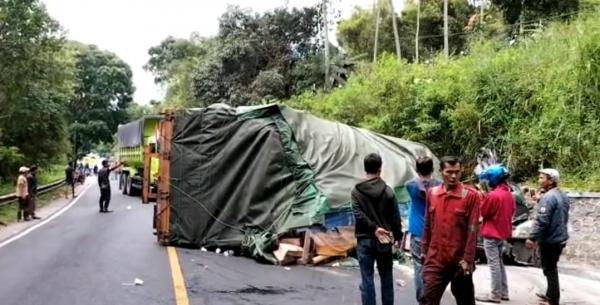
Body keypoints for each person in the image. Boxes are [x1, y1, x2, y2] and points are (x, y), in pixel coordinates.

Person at [422, 156, 481, 305]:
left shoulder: (470, 195)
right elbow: (428, 224)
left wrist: (468, 259)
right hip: (436, 259)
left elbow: (473, 229)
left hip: (459, 261)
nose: (453, 176)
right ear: (441, 172)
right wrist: (424, 250)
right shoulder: (433, 193)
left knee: (465, 301)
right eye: (449, 172)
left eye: (457, 172)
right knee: (428, 299)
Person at [351, 153, 403, 305]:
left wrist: (373, 229)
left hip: (364, 239)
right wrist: (398, 238)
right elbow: (395, 218)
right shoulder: (388, 192)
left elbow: (358, 214)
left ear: (365, 168)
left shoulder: (357, 191)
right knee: (386, 278)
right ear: (380, 168)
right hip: (384, 240)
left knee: (367, 279)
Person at [526, 169, 570, 305]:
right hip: (560, 237)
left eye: (541, 178)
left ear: (551, 181)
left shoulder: (549, 197)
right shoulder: (562, 195)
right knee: (550, 267)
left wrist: (532, 237)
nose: (539, 180)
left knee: (549, 269)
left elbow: (542, 220)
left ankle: (553, 299)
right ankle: (550, 294)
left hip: (551, 239)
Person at [476, 165, 516, 303]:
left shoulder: (494, 195)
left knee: (493, 265)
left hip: (491, 234)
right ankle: (504, 292)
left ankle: (495, 295)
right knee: (499, 263)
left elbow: (484, 212)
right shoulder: (509, 194)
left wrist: (482, 197)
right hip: (502, 234)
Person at [406, 156, 442, 305]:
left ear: (416, 169)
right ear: (433, 169)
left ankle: (422, 299)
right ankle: (432, 298)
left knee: (419, 266)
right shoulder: (439, 186)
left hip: (417, 232)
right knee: (434, 268)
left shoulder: (410, 185)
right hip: (435, 232)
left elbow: (416, 182)